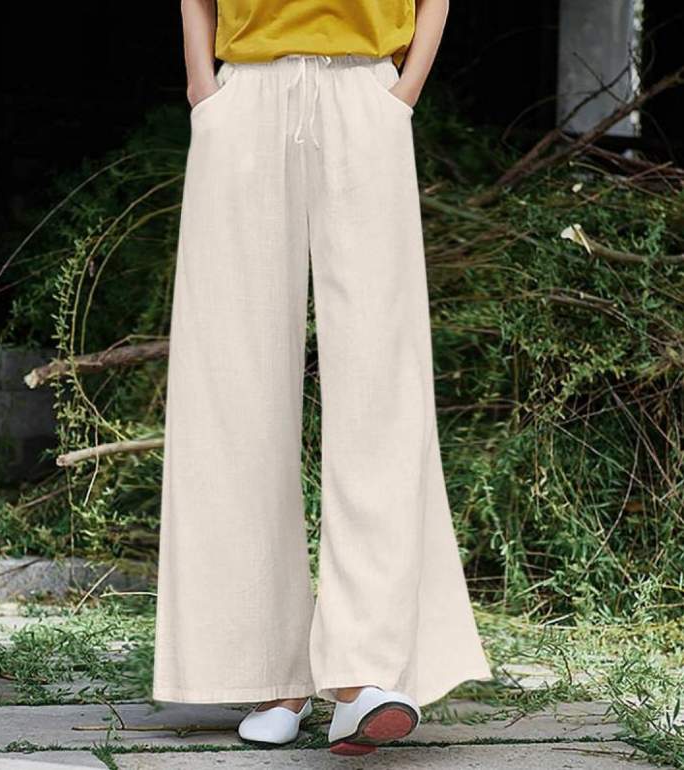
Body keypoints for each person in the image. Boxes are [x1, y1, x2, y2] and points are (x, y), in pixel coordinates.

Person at [152, 0, 492, 756]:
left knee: (380, 386)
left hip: (365, 91)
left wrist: (402, 92)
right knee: (230, 386)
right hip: (244, 94)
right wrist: (203, 86)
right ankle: (269, 672)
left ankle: (362, 672)